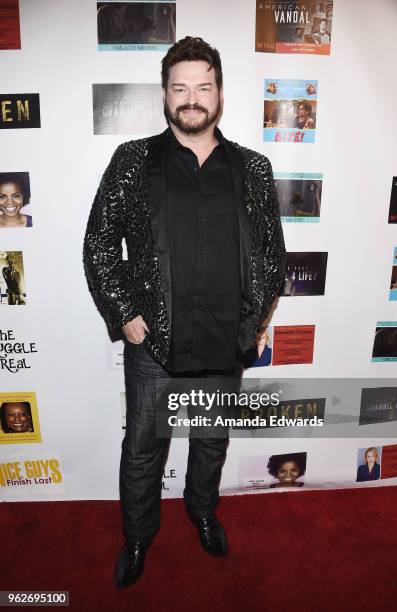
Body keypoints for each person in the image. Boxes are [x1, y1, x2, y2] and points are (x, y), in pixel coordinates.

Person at [83, 36, 287, 588]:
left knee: (211, 441)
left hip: (225, 341)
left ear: (219, 94)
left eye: (203, 87)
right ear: (165, 95)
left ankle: (202, 512)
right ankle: (138, 537)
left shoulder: (253, 168)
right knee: (144, 450)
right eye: (180, 88)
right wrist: (124, 313)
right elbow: (99, 245)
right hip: (155, 344)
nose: (191, 98)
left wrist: (255, 321)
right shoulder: (133, 161)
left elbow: (272, 255)